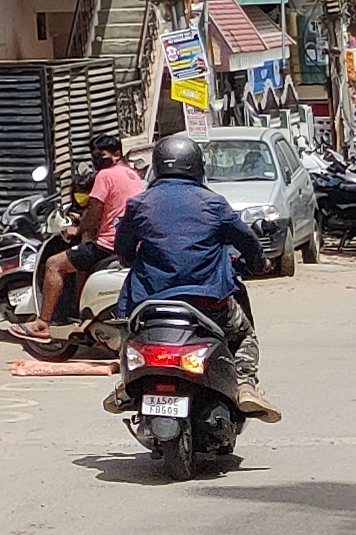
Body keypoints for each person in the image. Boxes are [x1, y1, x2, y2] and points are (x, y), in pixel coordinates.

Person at [110, 134, 277, 418]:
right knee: (245, 335)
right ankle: (246, 384)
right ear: (197, 167)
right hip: (206, 303)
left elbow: (123, 250)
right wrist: (260, 264)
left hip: (149, 306)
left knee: (130, 335)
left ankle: (128, 383)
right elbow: (247, 241)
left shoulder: (140, 204)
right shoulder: (213, 204)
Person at [33, 134, 143, 333]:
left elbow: (93, 214)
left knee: (54, 264)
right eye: (94, 155)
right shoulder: (133, 175)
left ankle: (42, 323)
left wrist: (78, 228)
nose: (96, 159)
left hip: (108, 244)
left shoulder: (105, 175)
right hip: (129, 243)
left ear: (117, 153)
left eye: (101, 155)